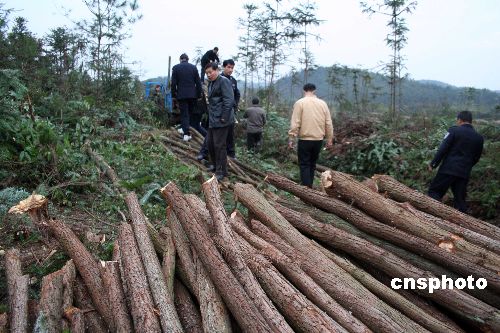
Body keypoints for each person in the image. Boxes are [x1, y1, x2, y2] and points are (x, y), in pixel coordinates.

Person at [428, 111, 484, 213]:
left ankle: (434, 216)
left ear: (459, 120)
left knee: (434, 192)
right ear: (471, 121)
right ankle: (463, 225)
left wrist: (433, 163)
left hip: (448, 169)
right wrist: (466, 166)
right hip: (464, 172)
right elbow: (476, 157)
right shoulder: (479, 138)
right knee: (460, 200)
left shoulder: (454, 131)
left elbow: (443, 148)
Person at [288, 83, 333, 188]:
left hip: (305, 139)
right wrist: (329, 138)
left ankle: (306, 189)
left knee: (304, 164)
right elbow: (328, 123)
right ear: (314, 90)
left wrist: (291, 138)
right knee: (312, 164)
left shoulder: (300, 103)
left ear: (304, 90)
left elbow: (295, 123)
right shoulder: (323, 104)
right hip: (318, 140)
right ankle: (310, 187)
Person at [204, 62, 234, 181]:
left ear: (217, 70)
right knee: (210, 143)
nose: (209, 75)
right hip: (213, 119)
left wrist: (224, 117)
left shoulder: (223, 81)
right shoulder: (211, 83)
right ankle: (215, 166)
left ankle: (221, 171)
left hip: (222, 119)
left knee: (219, 145)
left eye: (210, 72)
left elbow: (229, 100)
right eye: (207, 73)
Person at [171, 53, 202, 141]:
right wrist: (198, 94)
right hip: (193, 95)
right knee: (190, 113)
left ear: (180, 59)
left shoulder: (176, 68)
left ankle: (186, 134)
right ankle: (187, 130)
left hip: (182, 95)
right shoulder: (193, 67)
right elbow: (198, 83)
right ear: (187, 59)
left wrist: (174, 94)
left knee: (184, 114)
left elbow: (173, 84)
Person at [220, 59, 240, 159]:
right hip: (221, 111)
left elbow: (237, 94)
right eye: (228, 67)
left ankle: (231, 153)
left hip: (231, 112)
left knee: (230, 133)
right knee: (220, 134)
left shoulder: (233, 80)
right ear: (224, 67)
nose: (230, 70)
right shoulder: (219, 78)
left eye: (232, 68)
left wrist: (235, 105)